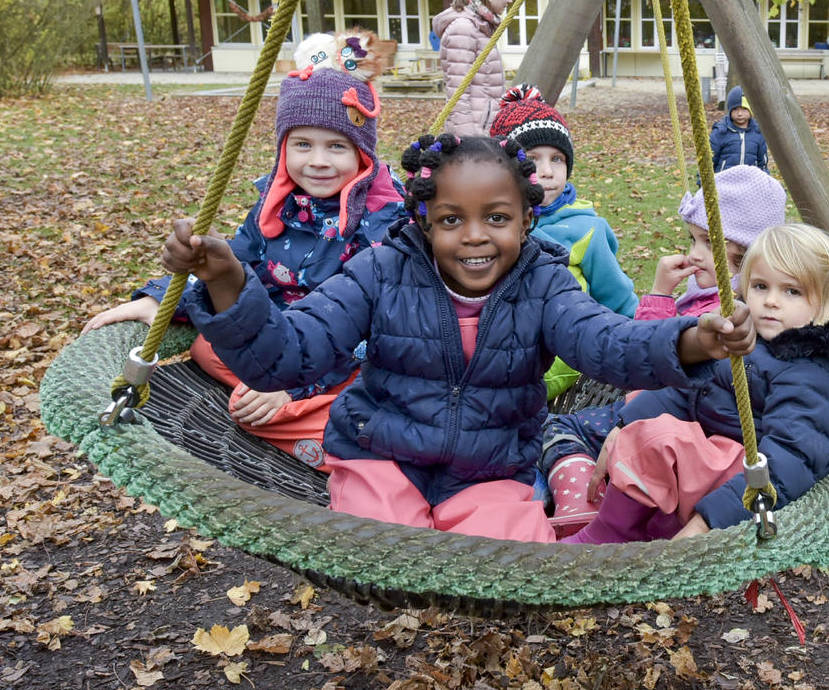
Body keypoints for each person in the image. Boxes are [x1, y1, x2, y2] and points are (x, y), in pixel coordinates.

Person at [160, 134, 757, 543]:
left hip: (490, 467)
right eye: (452, 220)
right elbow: (287, 358)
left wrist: (691, 344)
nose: (474, 237)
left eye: (496, 218)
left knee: (521, 558)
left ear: (527, 221)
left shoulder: (544, 283)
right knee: (384, 548)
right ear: (424, 219)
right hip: (382, 456)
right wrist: (230, 283)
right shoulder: (381, 270)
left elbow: (607, 344)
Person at [83, 30, 407, 472]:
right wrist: (160, 300)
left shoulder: (380, 222)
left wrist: (291, 388)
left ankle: (333, 436)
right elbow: (233, 262)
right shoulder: (276, 205)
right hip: (277, 337)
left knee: (333, 397)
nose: (318, 161)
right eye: (302, 145)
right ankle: (294, 415)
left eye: (337, 146)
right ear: (282, 148)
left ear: (363, 154)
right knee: (205, 346)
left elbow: (378, 325)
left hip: (345, 353)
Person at [561, 223, 829, 544]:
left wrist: (706, 522)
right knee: (641, 415)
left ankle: (609, 532)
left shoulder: (817, 376)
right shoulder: (748, 339)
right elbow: (690, 392)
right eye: (761, 287)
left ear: (823, 301)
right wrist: (626, 424)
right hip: (703, 460)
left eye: (792, 291)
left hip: (736, 485)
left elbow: (788, 462)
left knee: (660, 441)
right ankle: (605, 520)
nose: (771, 301)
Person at [540, 165, 787, 535]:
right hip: (648, 406)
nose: (698, 254)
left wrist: (628, 422)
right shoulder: (702, 295)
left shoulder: (731, 317)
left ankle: (583, 505)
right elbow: (645, 350)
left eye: (715, 248)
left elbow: (671, 382)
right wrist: (659, 294)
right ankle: (578, 496)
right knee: (548, 430)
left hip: (665, 421)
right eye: (694, 240)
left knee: (556, 428)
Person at [489, 84, 639, 398]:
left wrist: (636, 340)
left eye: (557, 159)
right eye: (532, 159)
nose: (547, 172)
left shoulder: (586, 229)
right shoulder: (489, 222)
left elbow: (618, 297)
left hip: (563, 348)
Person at [433, 0, 513, 136]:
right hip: (474, 135)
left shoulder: (481, 27)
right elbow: (458, 92)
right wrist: (469, 141)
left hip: (486, 130)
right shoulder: (464, 28)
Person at [709, 86, 769, 173]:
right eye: (735, 109)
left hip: (749, 181)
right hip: (725, 181)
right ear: (730, 110)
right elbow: (709, 159)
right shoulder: (720, 132)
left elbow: (762, 163)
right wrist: (703, 181)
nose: (740, 113)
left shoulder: (758, 133)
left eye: (744, 109)